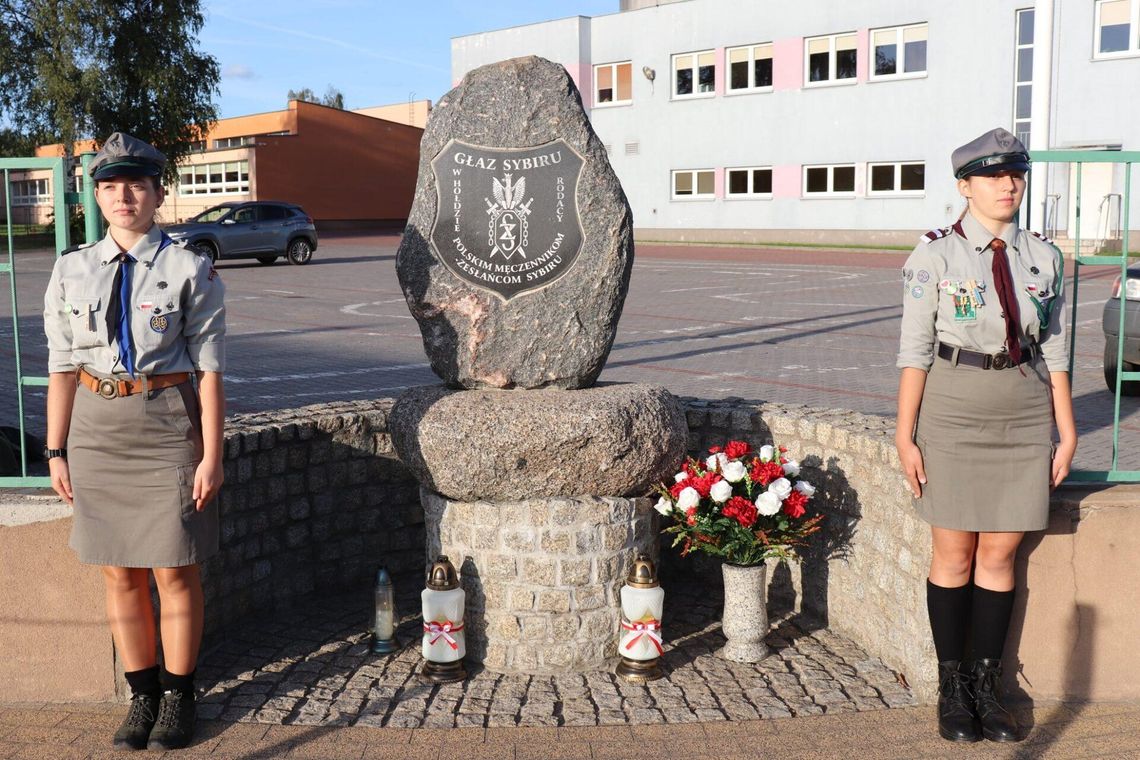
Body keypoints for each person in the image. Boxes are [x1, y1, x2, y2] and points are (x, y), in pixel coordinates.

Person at [43, 132, 226, 751]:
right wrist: (56, 448)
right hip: (96, 429)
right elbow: (62, 366)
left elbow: (210, 370)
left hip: (166, 425)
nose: (123, 197)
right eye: (111, 186)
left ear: (157, 194)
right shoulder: (71, 269)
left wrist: (211, 455)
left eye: (137, 185)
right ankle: (141, 695)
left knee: (175, 569)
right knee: (118, 572)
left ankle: (179, 697)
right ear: (97, 195)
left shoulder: (188, 268)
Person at [895, 127, 1076, 744]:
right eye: (994, 176)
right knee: (955, 555)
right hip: (952, 407)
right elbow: (914, 350)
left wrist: (1067, 429)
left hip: (1022, 410)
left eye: (1016, 174)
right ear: (964, 186)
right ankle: (951, 690)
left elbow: (1053, 345)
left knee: (999, 556)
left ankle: (986, 687)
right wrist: (905, 434)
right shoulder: (936, 256)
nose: (1008, 185)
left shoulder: (1045, 257)